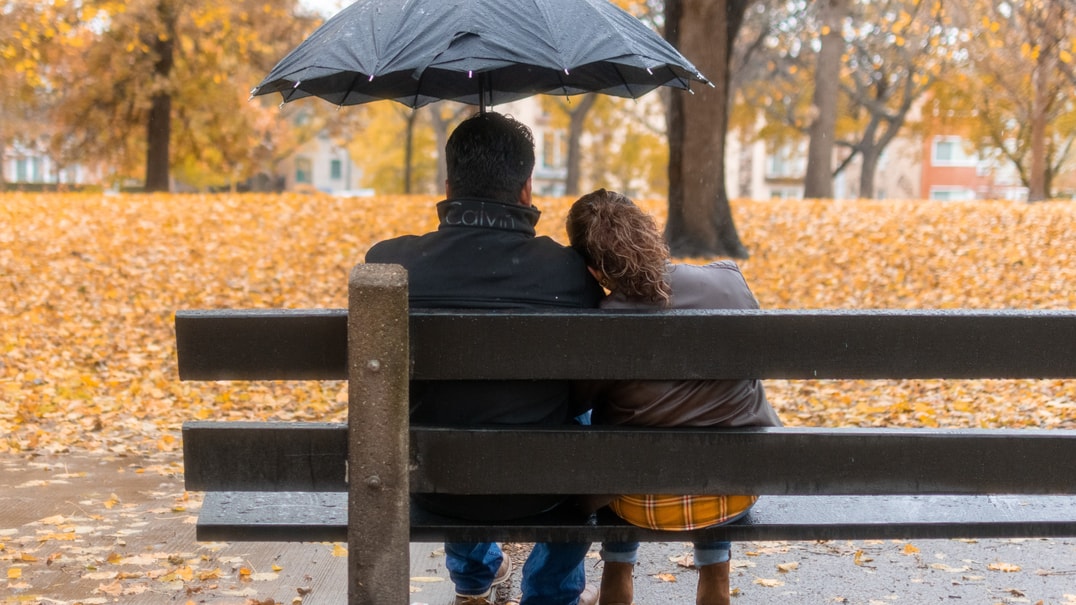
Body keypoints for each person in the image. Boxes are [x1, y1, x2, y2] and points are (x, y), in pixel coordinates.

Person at [365, 112, 604, 605]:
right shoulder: (567, 272)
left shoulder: (390, 264)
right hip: (546, 486)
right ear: (526, 189)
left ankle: (473, 577)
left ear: (449, 186)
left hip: (433, 483)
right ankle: (550, 591)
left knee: (444, 405)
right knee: (580, 413)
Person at [565, 189, 782, 605]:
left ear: (593, 269)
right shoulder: (727, 280)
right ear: (653, 232)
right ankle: (715, 580)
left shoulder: (603, 323)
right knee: (723, 402)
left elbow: (576, 403)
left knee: (602, 427)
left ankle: (616, 574)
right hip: (730, 491)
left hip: (637, 501)